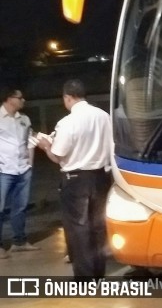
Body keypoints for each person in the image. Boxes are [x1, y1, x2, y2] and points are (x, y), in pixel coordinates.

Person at [37, 79, 113, 278]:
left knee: (79, 229)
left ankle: (85, 277)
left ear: (67, 97)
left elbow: (58, 155)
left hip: (76, 180)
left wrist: (46, 145)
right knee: (98, 226)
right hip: (101, 177)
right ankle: (99, 272)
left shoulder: (67, 122)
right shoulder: (104, 116)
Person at [0, 86, 41, 259]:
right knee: (0, 209)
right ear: (9, 99)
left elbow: (29, 140)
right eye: (20, 97)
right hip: (3, 170)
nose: (23, 100)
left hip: (23, 170)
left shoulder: (24, 119)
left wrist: (29, 164)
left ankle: (19, 242)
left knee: (20, 207)